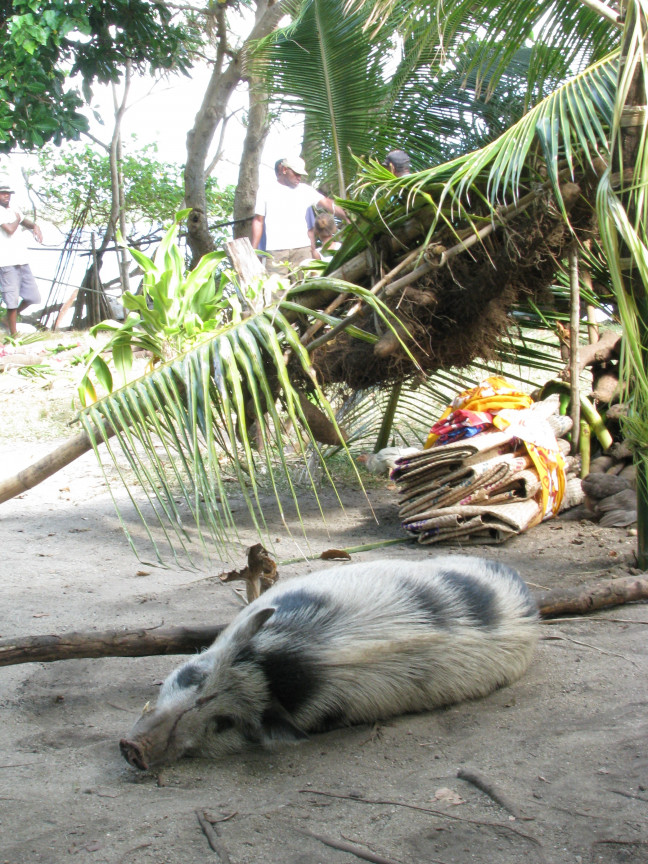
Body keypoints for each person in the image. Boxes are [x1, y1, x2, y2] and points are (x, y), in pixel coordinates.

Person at [251, 157, 346, 276]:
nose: (299, 177)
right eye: (296, 174)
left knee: (303, 289)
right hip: (276, 251)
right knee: (276, 292)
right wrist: (253, 250)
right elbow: (258, 221)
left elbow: (326, 203)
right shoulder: (266, 190)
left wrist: (347, 216)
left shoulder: (305, 190)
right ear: (285, 169)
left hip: (302, 250)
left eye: (301, 174)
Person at [0, 180, 43, 335]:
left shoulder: (14, 209)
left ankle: (6, 321)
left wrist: (35, 227)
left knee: (33, 297)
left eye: (8, 194)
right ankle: (14, 335)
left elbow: (27, 222)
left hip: (22, 260)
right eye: (3, 193)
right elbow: (10, 229)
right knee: (11, 301)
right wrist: (17, 219)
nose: (6, 196)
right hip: (6, 262)